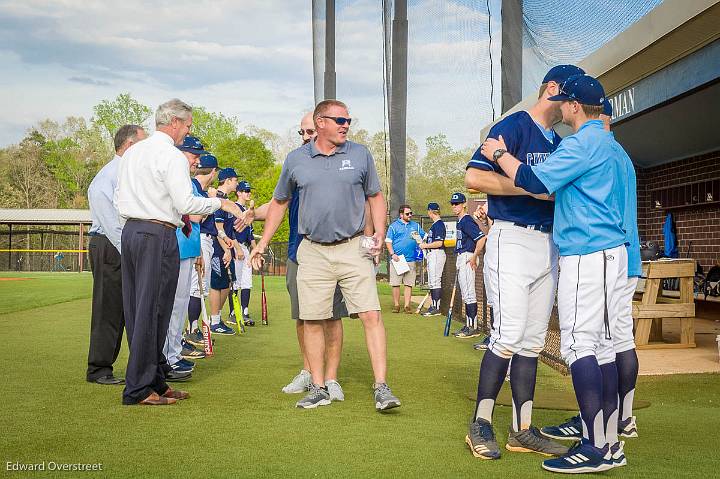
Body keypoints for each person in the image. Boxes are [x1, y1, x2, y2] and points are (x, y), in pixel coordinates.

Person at [481, 74, 631, 473]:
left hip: (587, 251)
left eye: (566, 102)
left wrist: (498, 153)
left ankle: (595, 448)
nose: (561, 107)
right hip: (610, 253)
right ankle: (610, 442)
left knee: (579, 346)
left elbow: (532, 179)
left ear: (576, 107)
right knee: (601, 347)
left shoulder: (583, 141)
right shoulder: (612, 146)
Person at [463, 65, 584, 460]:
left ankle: (522, 430)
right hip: (512, 237)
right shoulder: (515, 124)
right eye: (569, 95)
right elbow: (474, 178)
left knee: (532, 342)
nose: (572, 103)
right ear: (551, 88)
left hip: (547, 244)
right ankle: (480, 423)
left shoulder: (560, 139)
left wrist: (543, 189)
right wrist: (533, 188)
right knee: (508, 335)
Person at [249, 99, 400, 411]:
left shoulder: (360, 154)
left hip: (352, 247)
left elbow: (375, 195)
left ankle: (381, 387)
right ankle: (318, 387)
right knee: (313, 319)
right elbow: (279, 203)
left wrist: (379, 232)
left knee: (371, 314)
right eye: (339, 120)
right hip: (312, 251)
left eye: (348, 120)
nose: (346, 125)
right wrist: (263, 242)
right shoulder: (296, 159)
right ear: (320, 123)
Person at [116, 98, 242, 406]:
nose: (187, 132)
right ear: (174, 122)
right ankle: (140, 388)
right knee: (153, 311)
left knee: (141, 310)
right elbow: (187, 204)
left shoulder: (132, 153)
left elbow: (119, 197)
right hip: (156, 234)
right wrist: (220, 203)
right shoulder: (170, 156)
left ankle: (154, 380)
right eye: (187, 126)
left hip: (132, 232)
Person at [540, 101, 641, 445]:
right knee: (608, 343)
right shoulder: (618, 152)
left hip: (607, 254)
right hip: (621, 254)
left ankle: (612, 428)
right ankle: (606, 423)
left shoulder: (596, 149)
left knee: (601, 343)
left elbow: (543, 183)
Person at [249, 112, 353, 401]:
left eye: (309, 131)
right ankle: (309, 371)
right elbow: (278, 202)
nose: (306, 136)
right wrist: (250, 214)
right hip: (299, 251)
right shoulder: (297, 161)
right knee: (304, 316)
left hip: (332, 251)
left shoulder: (341, 161)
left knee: (332, 317)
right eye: (302, 132)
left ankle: (330, 378)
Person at [86, 124, 146, 385]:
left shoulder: (128, 173)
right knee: (108, 308)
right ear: (130, 145)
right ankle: (99, 369)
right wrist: (127, 249)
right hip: (110, 245)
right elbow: (109, 219)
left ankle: (134, 365)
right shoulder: (109, 175)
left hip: (121, 244)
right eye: (143, 143)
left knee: (126, 307)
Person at [162, 136, 210, 382]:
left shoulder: (188, 181)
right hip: (176, 246)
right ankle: (168, 356)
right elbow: (192, 214)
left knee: (179, 305)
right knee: (173, 306)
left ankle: (173, 352)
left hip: (188, 248)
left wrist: (198, 251)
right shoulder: (175, 177)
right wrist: (217, 203)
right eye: (193, 155)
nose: (197, 160)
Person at [185, 154, 220, 348]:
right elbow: (196, 217)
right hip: (197, 238)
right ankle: (191, 330)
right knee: (196, 288)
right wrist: (212, 201)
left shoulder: (200, 188)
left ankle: (193, 328)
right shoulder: (195, 187)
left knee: (199, 288)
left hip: (203, 239)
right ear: (213, 172)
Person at [449, 193, 487, 339]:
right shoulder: (460, 221)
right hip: (462, 256)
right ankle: (469, 325)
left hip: (467, 256)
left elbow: (481, 238)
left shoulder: (466, 220)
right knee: (466, 294)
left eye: (457, 203)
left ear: (464, 204)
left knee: (470, 294)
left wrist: (474, 257)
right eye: (452, 204)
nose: (454, 206)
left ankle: (473, 327)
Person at [208, 167, 239, 335]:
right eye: (235, 180)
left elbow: (229, 229)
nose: (237, 183)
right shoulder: (218, 200)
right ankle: (214, 321)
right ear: (227, 180)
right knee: (217, 284)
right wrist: (226, 250)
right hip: (216, 248)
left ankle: (217, 318)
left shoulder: (226, 199)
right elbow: (217, 228)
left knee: (227, 283)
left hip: (226, 248)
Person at [385, 204, 425, 313]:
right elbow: (388, 241)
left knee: (409, 283)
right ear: (401, 214)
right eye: (407, 214)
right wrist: (392, 254)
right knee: (396, 283)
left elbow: (422, 238)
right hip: (397, 259)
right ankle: (396, 305)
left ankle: (407, 306)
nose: (410, 215)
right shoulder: (393, 226)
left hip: (411, 259)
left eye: (411, 213)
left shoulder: (415, 226)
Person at [230, 180, 257, 326]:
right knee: (236, 281)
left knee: (247, 281)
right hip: (236, 247)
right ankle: (234, 312)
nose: (248, 193)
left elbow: (250, 233)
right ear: (238, 192)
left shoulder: (247, 211)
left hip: (246, 248)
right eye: (245, 191)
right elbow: (230, 230)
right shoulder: (234, 208)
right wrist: (237, 248)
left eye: (249, 191)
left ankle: (244, 311)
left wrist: (256, 250)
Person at [419, 202, 446, 316]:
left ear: (430, 211)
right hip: (432, 254)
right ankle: (434, 306)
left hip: (436, 253)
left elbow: (439, 243)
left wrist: (425, 246)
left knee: (435, 281)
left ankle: (436, 307)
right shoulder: (435, 225)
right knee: (432, 282)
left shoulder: (439, 224)